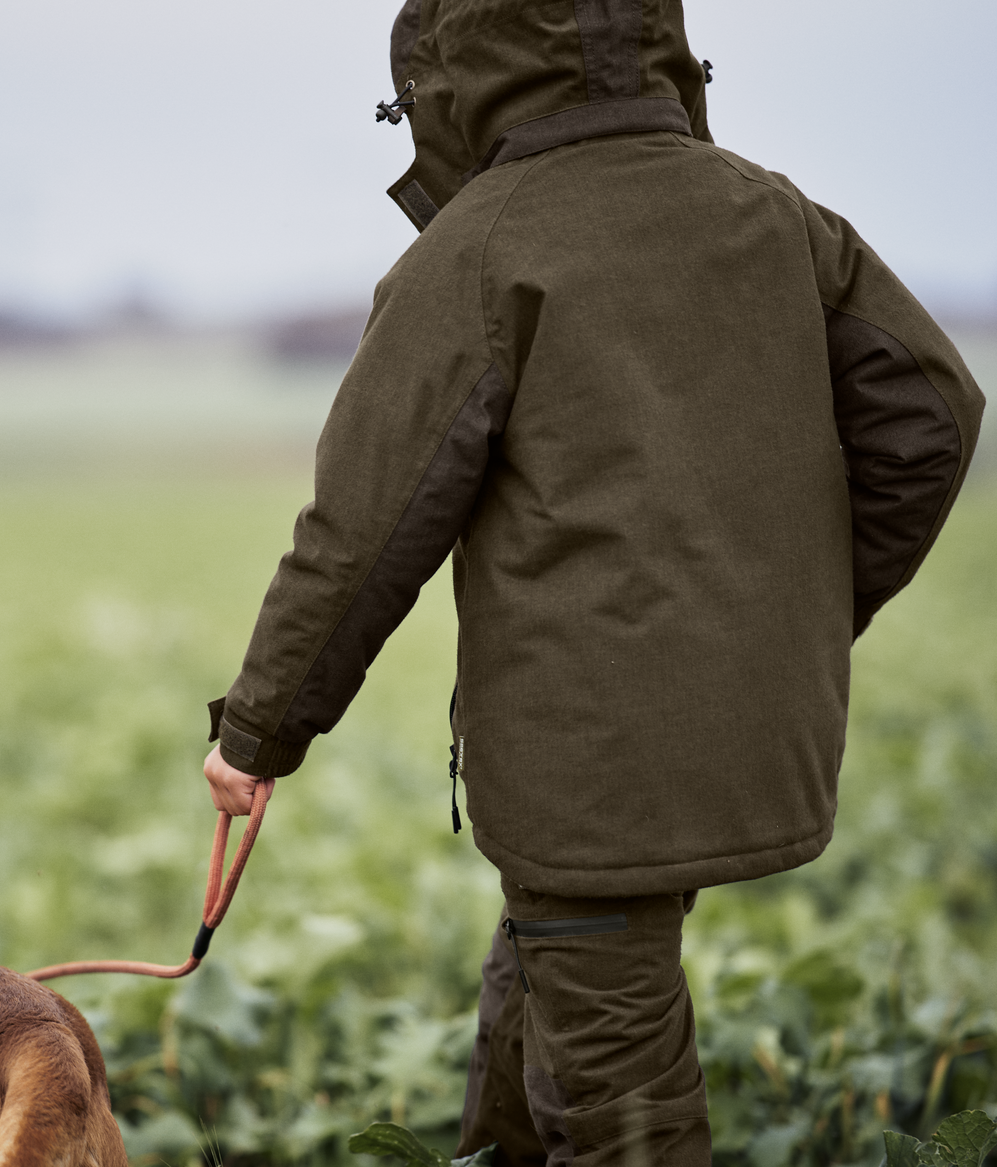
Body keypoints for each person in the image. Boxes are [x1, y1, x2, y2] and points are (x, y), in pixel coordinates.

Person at [198, 1, 985, 1163]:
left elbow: (359, 532)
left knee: (625, 1110)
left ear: (453, 79)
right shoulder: (775, 215)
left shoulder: (474, 249)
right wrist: (795, 614)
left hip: (592, 765)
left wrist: (256, 735)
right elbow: (933, 413)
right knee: (546, 981)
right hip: (750, 728)